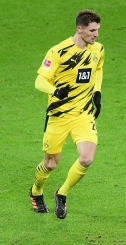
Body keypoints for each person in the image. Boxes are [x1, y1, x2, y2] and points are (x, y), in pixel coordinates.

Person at [29, 9, 105, 219]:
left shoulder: (98, 49)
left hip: (83, 114)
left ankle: (61, 194)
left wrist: (97, 91)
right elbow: (39, 81)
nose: (96, 34)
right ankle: (36, 190)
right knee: (51, 163)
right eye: (92, 30)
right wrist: (56, 91)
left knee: (87, 159)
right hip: (59, 115)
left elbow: (98, 69)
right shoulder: (58, 52)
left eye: (98, 30)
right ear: (79, 29)